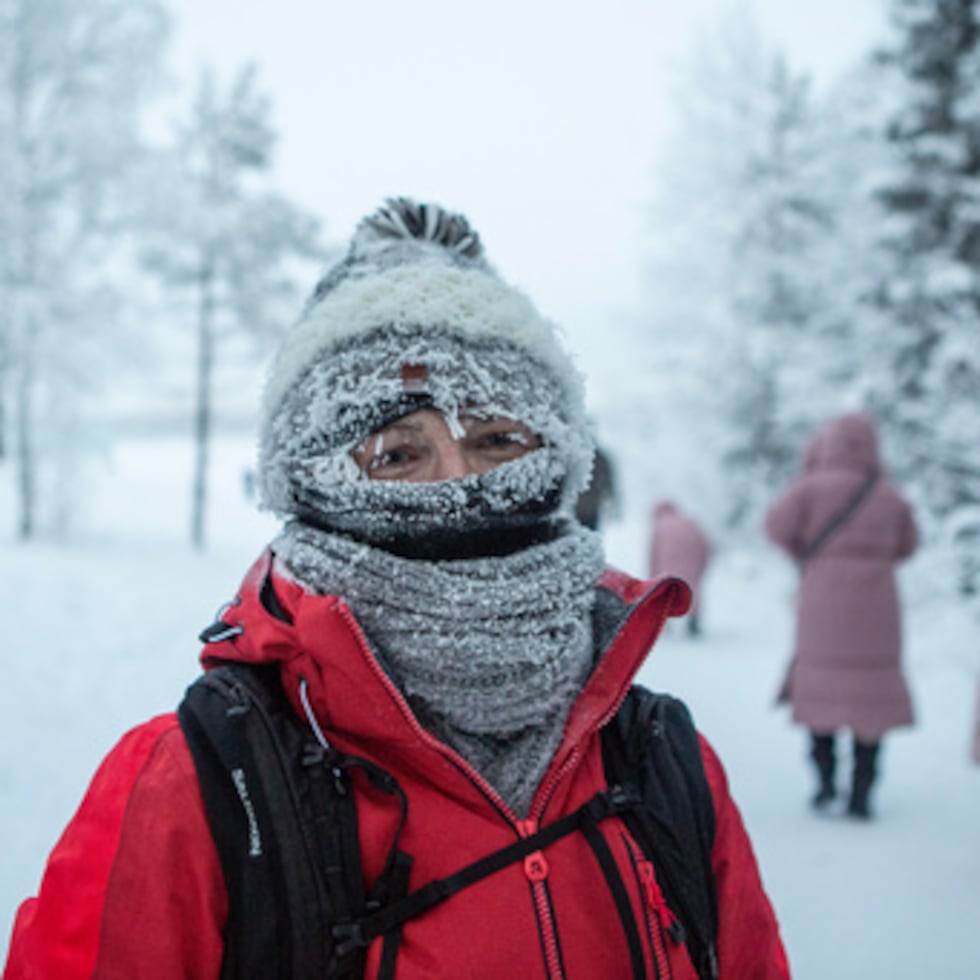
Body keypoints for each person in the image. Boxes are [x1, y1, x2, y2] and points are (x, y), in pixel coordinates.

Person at [4, 198, 789, 979]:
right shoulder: (196, 786)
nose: (459, 484)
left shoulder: (662, 763)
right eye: (397, 455)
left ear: (558, 462)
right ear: (313, 484)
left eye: (497, 440)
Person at [765, 412, 918, 820]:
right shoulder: (889, 495)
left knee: (821, 691)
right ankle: (862, 792)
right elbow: (909, 545)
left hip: (822, 601)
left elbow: (775, 527)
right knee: (872, 700)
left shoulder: (810, 488)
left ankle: (825, 784)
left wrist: (807, 553)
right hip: (878, 609)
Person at [648, 500, 713, 636]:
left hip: (669, 558)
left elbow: (654, 554)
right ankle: (693, 620)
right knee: (692, 586)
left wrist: (652, 577)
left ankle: (663, 621)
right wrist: (701, 568)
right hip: (692, 556)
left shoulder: (660, 525)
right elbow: (706, 544)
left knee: (665, 587)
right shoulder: (689, 522)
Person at [574, 444, 618, 530]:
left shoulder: (580, 455)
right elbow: (608, 481)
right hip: (588, 505)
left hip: (584, 505)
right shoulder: (600, 458)